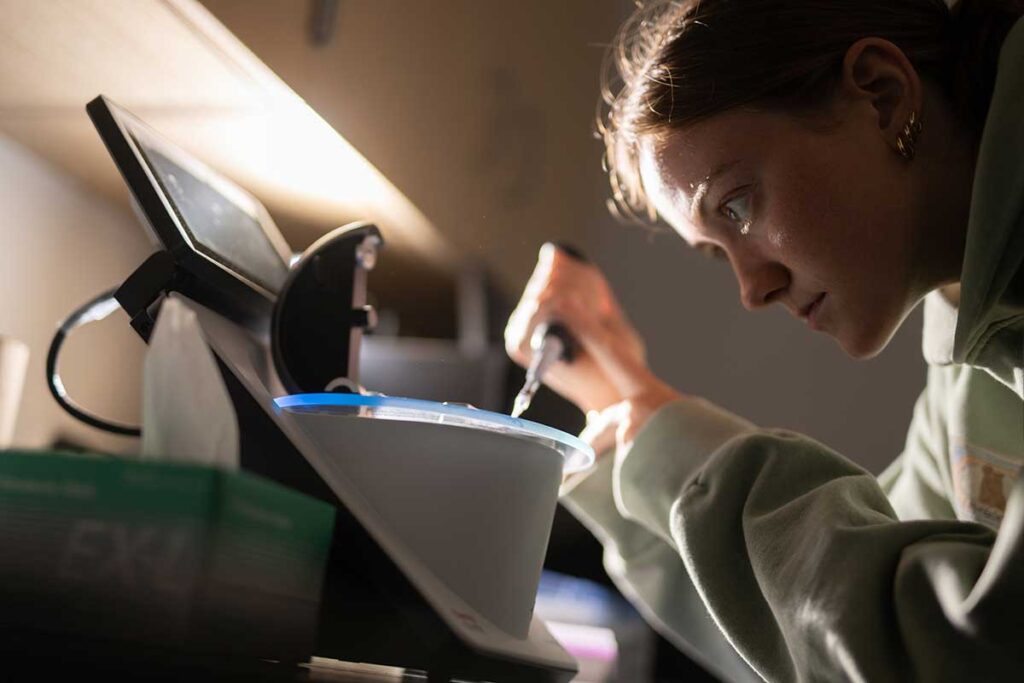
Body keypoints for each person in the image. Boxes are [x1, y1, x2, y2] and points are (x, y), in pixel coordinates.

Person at [504, 0, 1024, 680]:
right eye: (719, 254)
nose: (754, 289)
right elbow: (830, 633)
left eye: (739, 205)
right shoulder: (969, 364)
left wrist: (686, 454)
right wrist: (630, 407)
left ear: (883, 96)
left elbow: (957, 655)